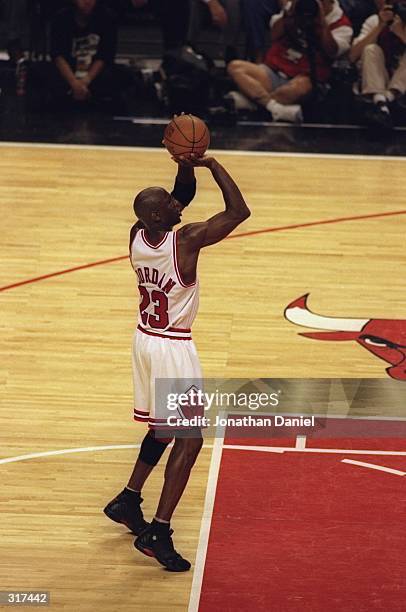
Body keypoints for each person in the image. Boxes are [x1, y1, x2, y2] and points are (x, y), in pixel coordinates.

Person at [103, 153, 250, 572]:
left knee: (161, 427)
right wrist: (213, 164)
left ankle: (129, 499)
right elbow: (239, 211)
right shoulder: (185, 240)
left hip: (144, 341)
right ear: (156, 215)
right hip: (173, 347)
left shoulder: (137, 233)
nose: (178, 203)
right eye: (168, 203)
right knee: (190, 439)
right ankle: (158, 531)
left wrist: (185, 163)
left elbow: (181, 194)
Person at [226, 0, 353, 122]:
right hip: (274, 71)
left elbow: (332, 51)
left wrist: (321, 21)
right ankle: (275, 109)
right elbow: (273, 35)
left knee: (296, 89)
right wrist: (290, 14)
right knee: (235, 67)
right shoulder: (294, 8)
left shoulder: (342, 24)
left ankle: (253, 102)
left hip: (305, 78)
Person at [42, 0, 131, 107]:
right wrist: (74, 83)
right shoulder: (61, 18)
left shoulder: (107, 17)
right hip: (68, 73)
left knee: (123, 76)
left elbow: (104, 56)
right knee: (42, 75)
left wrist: (85, 81)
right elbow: (58, 56)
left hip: (95, 75)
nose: (87, 1)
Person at [349, 0, 406, 128]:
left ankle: (383, 100)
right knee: (371, 49)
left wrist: (402, 35)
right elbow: (352, 56)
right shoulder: (375, 20)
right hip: (377, 81)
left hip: (402, 85)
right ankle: (381, 101)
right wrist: (380, 26)